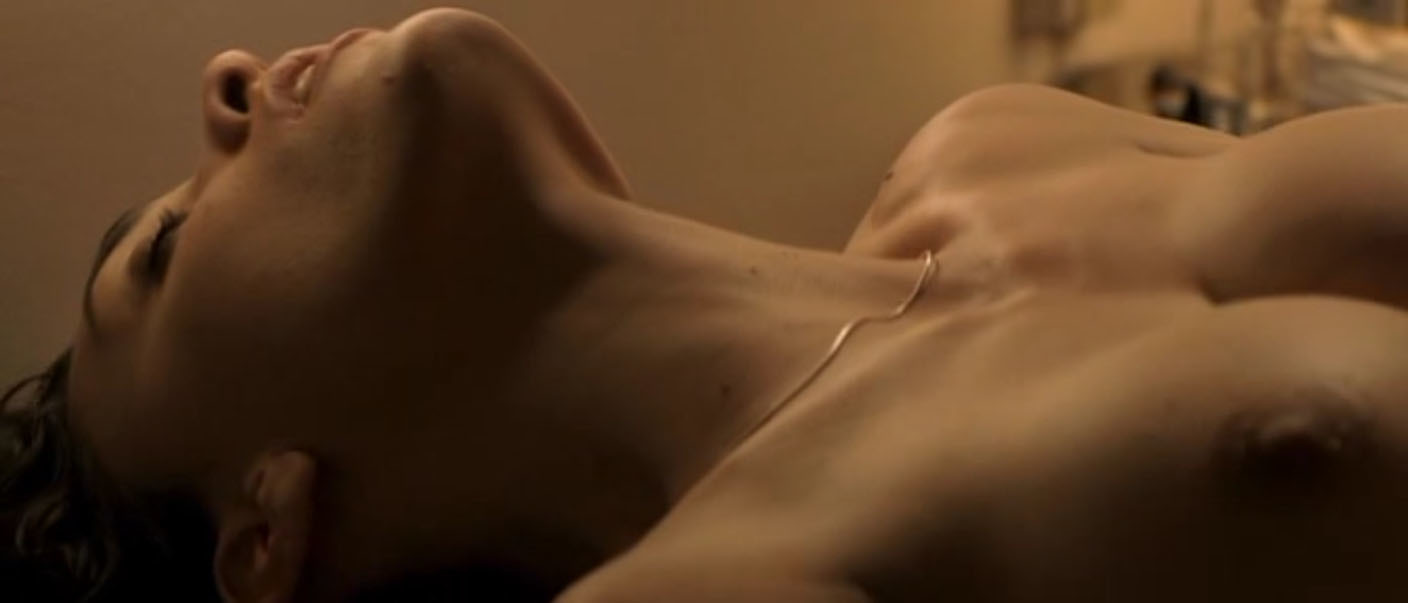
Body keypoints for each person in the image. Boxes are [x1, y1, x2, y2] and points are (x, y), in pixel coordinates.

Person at [8, 6, 1408, 602]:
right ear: (265, 534)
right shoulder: (727, 582)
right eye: (162, 255)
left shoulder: (995, 141)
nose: (229, 77)